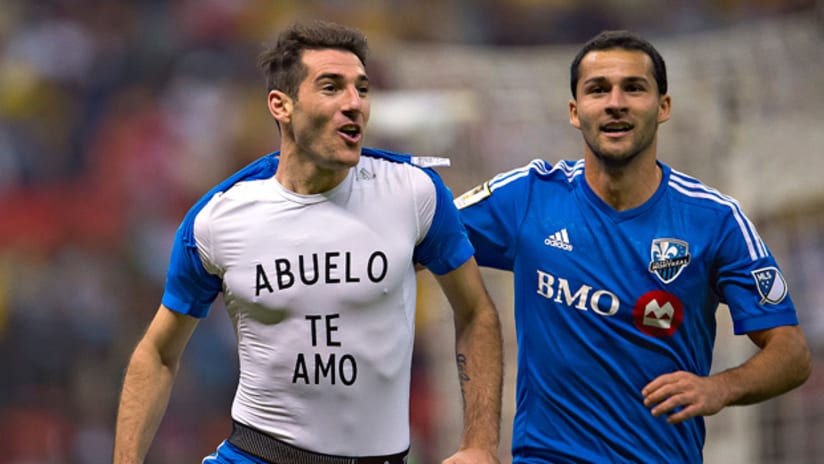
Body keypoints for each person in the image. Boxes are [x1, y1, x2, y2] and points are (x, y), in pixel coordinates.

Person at [113, 19, 503, 464]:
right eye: (332, 88)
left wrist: (479, 444)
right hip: (256, 455)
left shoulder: (414, 193)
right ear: (281, 105)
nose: (354, 104)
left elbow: (475, 313)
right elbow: (159, 353)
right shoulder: (217, 219)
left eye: (362, 88)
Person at [455, 30, 811, 463]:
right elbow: (416, 241)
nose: (615, 102)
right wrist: (475, 445)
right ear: (575, 111)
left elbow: (791, 352)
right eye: (598, 89)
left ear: (663, 107)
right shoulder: (528, 196)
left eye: (634, 88)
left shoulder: (714, 219)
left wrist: (720, 387)